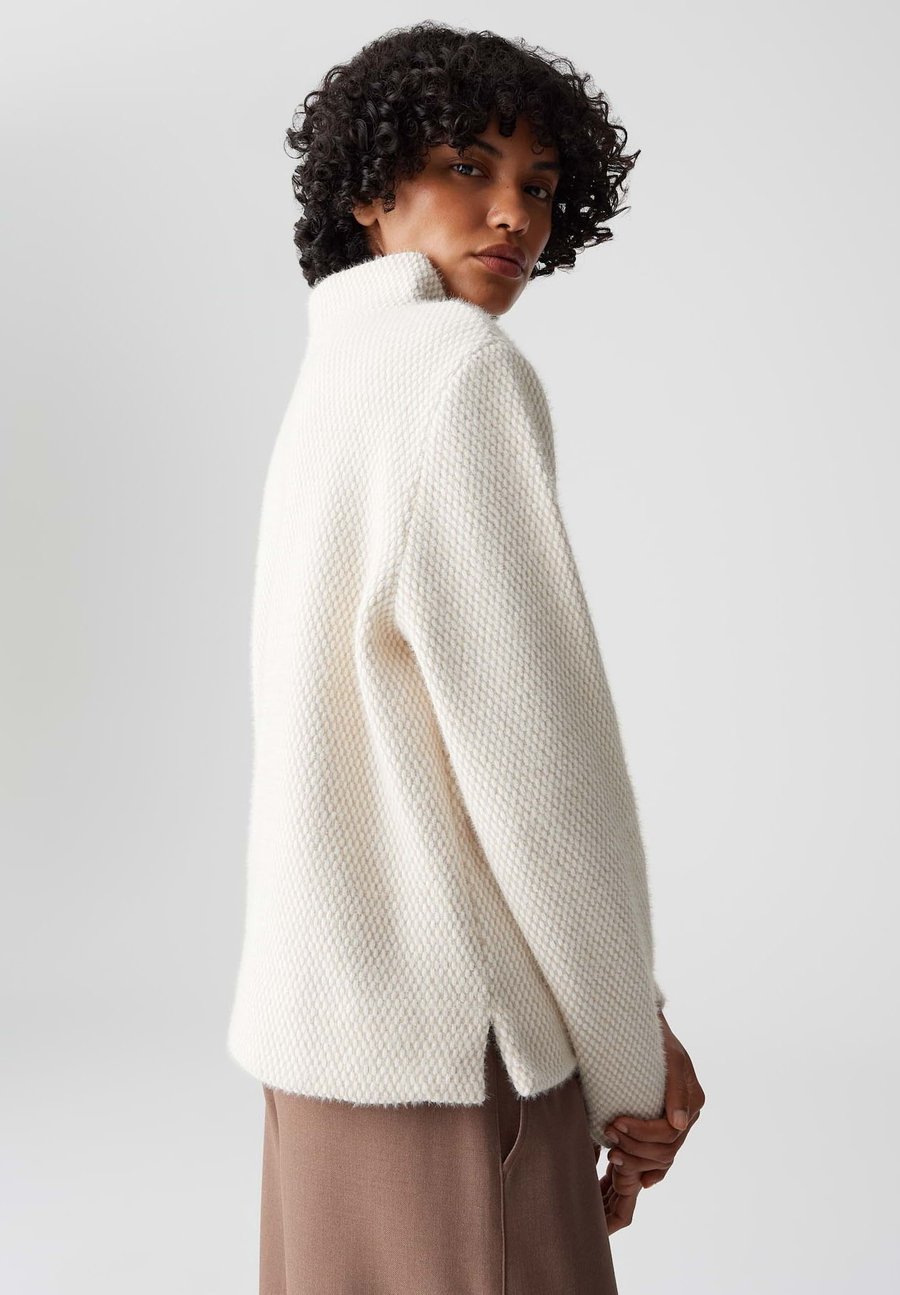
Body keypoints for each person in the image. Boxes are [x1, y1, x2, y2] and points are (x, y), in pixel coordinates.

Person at [227, 21, 705, 1294]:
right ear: (369, 188)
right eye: (467, 167)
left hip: (318, 1044)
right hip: (457, 1050)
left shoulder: (332, 383)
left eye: (539, 185)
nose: (514, 216)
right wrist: (632, 1058)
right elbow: (540, 770)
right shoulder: (458, 373)